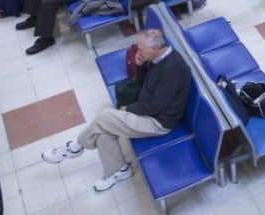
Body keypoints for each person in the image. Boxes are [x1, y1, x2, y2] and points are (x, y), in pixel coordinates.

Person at [42, 29, 191, 191]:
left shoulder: (172, 69)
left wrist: (129, 108)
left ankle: (75, 147)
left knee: (105, 117)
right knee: (103, 132)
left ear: (154, 49)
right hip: (149, 109)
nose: (137, 50)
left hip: (158, 122)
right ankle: (120, 170)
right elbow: (142, 84)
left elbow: (157, 106)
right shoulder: (157, 57)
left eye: (141, 49)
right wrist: (140, 66)